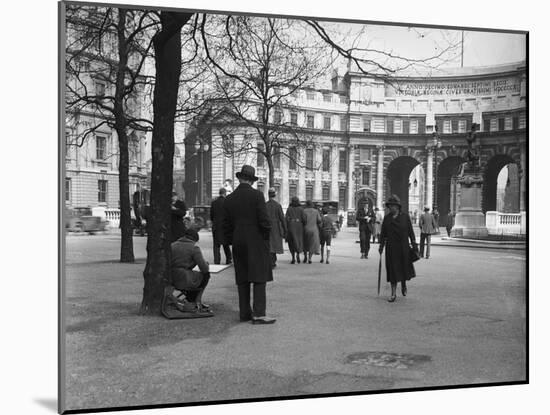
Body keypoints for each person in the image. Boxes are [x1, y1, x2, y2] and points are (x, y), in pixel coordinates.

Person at [223, 165, 276, 325]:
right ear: (252, 180)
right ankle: (259, 314)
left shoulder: (229, 199)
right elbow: (265, 221)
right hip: (256, 240)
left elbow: (225, 225)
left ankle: (244, 313)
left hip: (238, 241)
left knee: (243, 277)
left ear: (239, 178)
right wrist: (265, 238)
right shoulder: (257, 196)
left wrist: (233, 239)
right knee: (259, 277)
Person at [378, 195, 417, 302]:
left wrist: (414, 243)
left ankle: (403, 283)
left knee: (403, 268)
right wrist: (381, 246)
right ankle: (393, 293)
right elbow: (383, 234)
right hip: (391, 248)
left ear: (397, 206)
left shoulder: (405, 217)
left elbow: (410, 232)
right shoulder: (387, 218)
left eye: (392, 205)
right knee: (392, 271)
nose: (390, 207)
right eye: (389, 205)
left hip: (403, 248)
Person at [170, 228, 212, 313]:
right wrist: (206, 264)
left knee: (193, 276)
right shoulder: (194, 247)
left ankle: (190, 300)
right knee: (205, 275)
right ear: (195, 239)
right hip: (184, 278)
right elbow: (204, 268)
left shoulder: (172, 245)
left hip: (171, 277)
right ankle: (197, 301)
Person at [210, 188, 232, 265]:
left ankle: (217, 260)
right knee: (225, 244)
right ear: (225, 193)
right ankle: (228, 259)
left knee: (216, 245)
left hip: (216, 226)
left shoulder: (214, 203)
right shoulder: (227, 202)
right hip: (225, 226)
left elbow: (211, 215)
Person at [266, 188, 287, 269]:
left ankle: (270, 261)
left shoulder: (265, 205)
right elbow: (282, 218)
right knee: (274, 244)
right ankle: (273, 261)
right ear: (275, 195)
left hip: (267, 227)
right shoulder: (278, 205)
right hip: (276, 227)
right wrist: (285, 230)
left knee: (269, 245)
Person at [285, 196, 306, 264]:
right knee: (298, 241)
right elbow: (304, 219)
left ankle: (293, 258)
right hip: (299, 226)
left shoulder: (289, 209)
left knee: (291, 242)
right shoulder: (301, 209)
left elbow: (286, 219)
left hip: (291, 226)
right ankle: (298, 254)